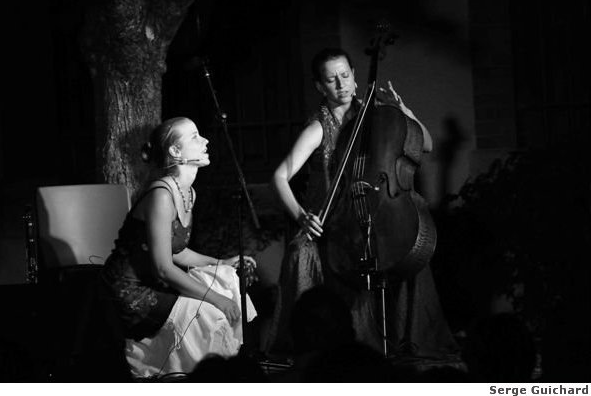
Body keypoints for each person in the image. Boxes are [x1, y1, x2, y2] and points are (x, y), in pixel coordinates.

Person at [267, 48, 457, 359]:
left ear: (355, 77)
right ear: (320, 87)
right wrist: (302, 216)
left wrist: (404, 110)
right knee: (301, 252)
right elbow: (279, 176)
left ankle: (407, 341)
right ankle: (320, 345)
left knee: (410, 245)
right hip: (336, 220)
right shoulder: (319, 128)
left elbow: (426, 144)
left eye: (345, 75)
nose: (341, 84)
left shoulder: (378, 115)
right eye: (331, 79)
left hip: (377, 209)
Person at [100, 117, 257, 379]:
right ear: (175, 151)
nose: (205, 141)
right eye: (195, 137)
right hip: (130, 290)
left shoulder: (188, 192)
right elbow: (163, 268)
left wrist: (220, 263)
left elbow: (177, 250)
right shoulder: (162, 195)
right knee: (210, 312)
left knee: (225, 280)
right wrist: (216, 299)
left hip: (155, 282)